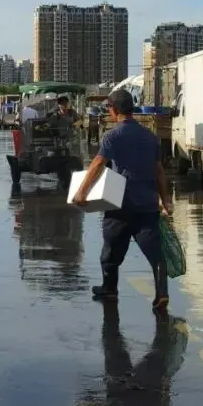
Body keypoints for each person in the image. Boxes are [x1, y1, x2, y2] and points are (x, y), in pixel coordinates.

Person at [73, 88, 172, 314]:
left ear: (115, 109)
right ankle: (162, 293)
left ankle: (110, 289)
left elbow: (98, 163)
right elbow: (159, 172)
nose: (108, 111)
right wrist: (165, 201)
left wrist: (82, 192)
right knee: (155, 253)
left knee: (110, 251)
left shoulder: (113, 135)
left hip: (121, 205)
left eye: (108, 107)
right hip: (147, 205)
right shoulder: (150, 137)